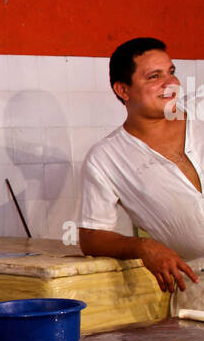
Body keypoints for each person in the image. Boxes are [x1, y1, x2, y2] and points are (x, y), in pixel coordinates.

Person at [78, 37, 203, 294]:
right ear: (123, 90)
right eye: (154, 77)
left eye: (171, 72)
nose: (170, 83)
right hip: (195, 288)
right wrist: (144, 247)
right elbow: (91, 236)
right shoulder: (106, 157)